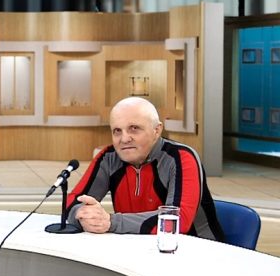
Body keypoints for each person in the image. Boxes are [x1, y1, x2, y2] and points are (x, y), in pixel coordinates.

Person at [66, 96, 223, 241]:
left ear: (157, 130)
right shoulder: (108, 158)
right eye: (117, 131)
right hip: (137, 245)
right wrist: (82, 214)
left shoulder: (181, 158)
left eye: (134, 128)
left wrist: (111, 222)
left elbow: (177, 220)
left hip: (195, 249)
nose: (124, 139)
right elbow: (72, 201)